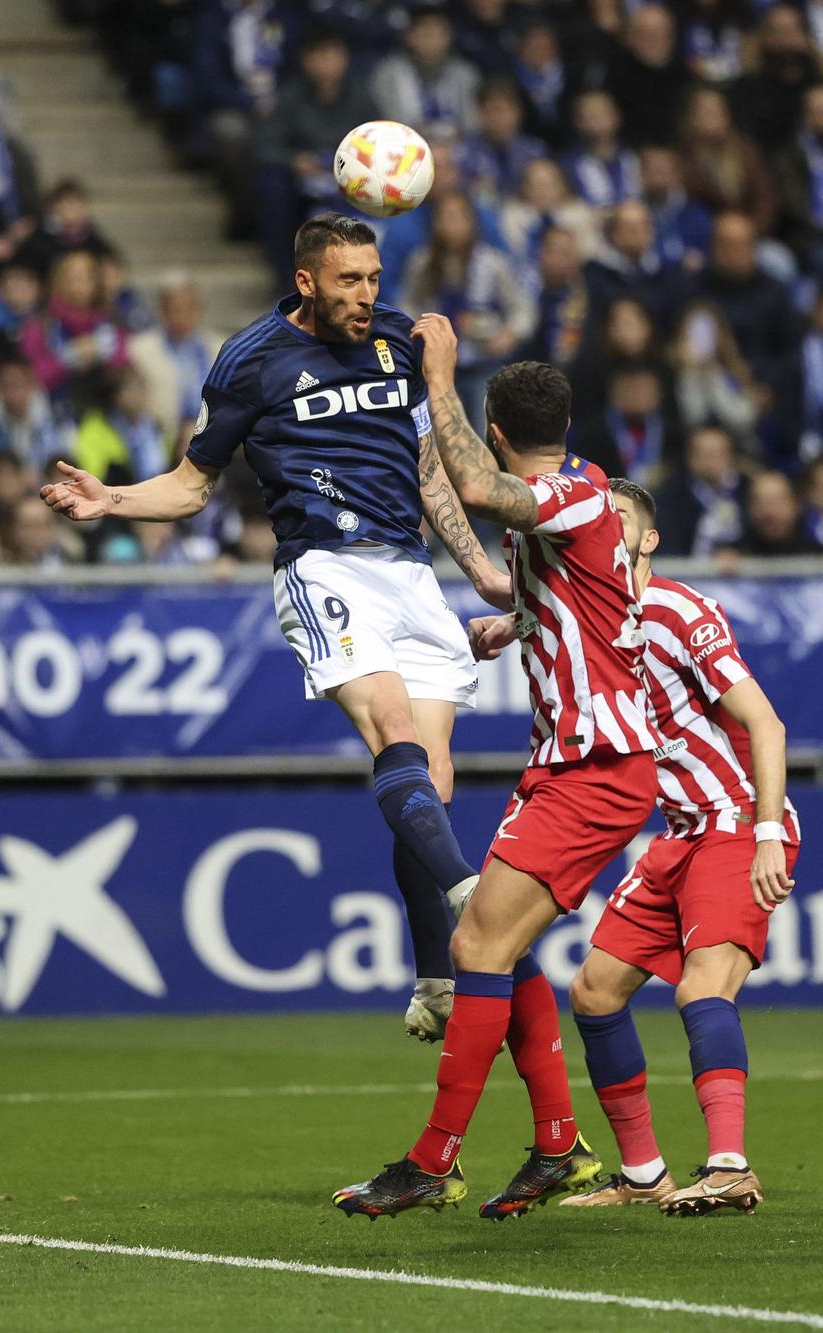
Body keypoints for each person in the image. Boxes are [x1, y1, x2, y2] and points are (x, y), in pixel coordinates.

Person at [39, 214, 510, 1043]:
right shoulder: (251, 359)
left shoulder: (402, 342)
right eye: (347, 281)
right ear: (306, 282)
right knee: (391, 727)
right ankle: (470, 895)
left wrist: (482, 575)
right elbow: (193, 485)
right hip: (323, 566)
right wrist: (110, 498)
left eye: (372, 277)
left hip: (408, 571)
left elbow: (434, 474)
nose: (365, 296)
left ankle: (435, 975)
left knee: (429, 786)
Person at [331, 345, 658, 1221]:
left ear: (501, 431)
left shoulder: (570, 493)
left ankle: (434, 1161)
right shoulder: (579, 497)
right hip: (568, 764)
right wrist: (511, 623)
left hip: (597, 767)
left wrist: (437, 382)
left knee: (475, 947)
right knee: (495, 948)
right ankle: (558, 1145)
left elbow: (479, 488)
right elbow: (580, 594)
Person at [557, 477, 799, 1215]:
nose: (606, 525)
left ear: (648, 539)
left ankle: (729, 1166)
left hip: (733, 820)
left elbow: (768, 723)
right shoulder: (594, 622)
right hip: (679, 833)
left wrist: (765, 834)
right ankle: (642, 1175)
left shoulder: (676, 610)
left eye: (621, 518)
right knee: (593, 990)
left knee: (702, 986)